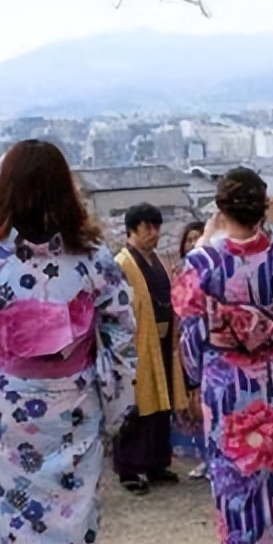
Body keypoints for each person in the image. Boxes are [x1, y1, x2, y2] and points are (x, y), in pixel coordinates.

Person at [0, 139, 138, 544]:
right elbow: (122, 329)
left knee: (6, 522)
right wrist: (115, 398)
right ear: (65, 189)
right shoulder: (94, 260)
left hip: (6, 411)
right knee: (73, 519)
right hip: (75, 407)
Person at [172, 168, 273, 544]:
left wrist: (198, 371)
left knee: (232, 476)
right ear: (264, 207)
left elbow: (191, 328)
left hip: (224, 389)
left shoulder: (203, 261)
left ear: (220, 207)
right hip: (272, 385)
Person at [113, 203, 188, 494]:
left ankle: (157, 462)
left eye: (157, 227)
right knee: (137, 407)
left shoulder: (157, 260)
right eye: (148, 228)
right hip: (136, 343)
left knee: (161, 406)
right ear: (133, 230)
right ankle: (130, 468)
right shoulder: (122, 263)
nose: (154, 233)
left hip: (163, 339)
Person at [173, 220, 210, 479]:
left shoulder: (211, 272)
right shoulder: (179, 273)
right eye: (189, 239)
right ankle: (203, 456)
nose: (193, 243)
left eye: (199, 237)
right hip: (184, 346)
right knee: (192, 408)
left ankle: (213, 458)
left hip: (205, 348)